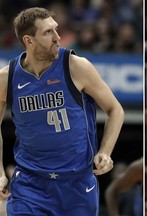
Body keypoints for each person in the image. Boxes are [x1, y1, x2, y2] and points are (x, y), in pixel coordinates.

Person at [0, 7, 124, 216]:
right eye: (48, 32)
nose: (58, 37)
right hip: (30, 184)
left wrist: (105, 151)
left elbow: (115, 109)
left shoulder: (76, 66)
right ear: (28, 41)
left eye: (56, 30)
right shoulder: (7, 77)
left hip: (77, 183)